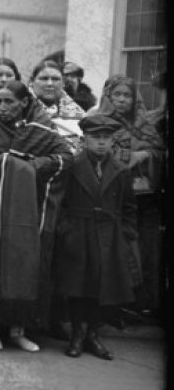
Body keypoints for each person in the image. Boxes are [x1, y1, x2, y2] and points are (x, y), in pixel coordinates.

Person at [0, 80, 71, 353]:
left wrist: (33, 166)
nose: (2, 107)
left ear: (24, 102)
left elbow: (64, 157)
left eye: (9, 102)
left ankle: (18, 330)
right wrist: (10, 162)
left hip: (31, 210)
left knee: (26, 264)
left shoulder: (41, 123)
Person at [55, 115, 137, 361]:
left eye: (106, 138)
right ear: (84, 139)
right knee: (78, 286)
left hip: (108, 236)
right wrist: (65, 229)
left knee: (102, 287)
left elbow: (130, 207)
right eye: (95, 137)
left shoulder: (121, 170)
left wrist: (125, 233)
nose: (101, 143)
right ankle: (76, 335)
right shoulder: (72, 166)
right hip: (78, 232)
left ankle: (93, 334)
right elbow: (60, 203)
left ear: (112, 141)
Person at [90, 75, 164, 315]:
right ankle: (111, 307)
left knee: (145, 250)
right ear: (108, 97)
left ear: (135, 99)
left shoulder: (145, 124)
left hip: (144, 197)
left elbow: (158, 150)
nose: (122, 100)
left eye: (127, 95)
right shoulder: (96, 121)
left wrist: (143, 156)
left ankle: (141, 305)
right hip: (111, 197)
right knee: (116, 250)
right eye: (117, 95)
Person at [31, 60, 85, 150]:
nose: (50, 84)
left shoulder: (78, 114)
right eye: (44, 79)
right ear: (32, 81)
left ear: (63, 83)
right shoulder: (20, 108)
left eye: (55, 79)